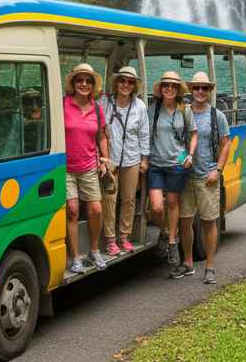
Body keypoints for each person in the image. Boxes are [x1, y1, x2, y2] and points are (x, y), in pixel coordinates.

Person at [175, 71, 229, 283]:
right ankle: (188, 263)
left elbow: (226, 144)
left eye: (204, 88)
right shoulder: (182, 113)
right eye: (196, 87)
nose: (199, 91)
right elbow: (177, 141)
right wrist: (181, 160)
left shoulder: (217, 116)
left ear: (209, 91)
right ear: (190, 89)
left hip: (207, 176)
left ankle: (209, 266)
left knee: (208, 221)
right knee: (185, 221)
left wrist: (218, 169)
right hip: (185, 176)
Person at [62, 63, 111, 274]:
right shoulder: (62, 104)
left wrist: (105, 159)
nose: (84, 84)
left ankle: (93, 250)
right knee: (72, 211)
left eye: (88, 81)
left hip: (89, 165)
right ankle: (75, 258)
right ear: (73, 83)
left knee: (96, 209)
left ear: (92, 86)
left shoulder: (97, 109)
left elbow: (101, 136)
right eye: (80, 80)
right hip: (65, 168)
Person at [99, 66, 151, 255]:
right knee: (109, 199)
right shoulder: (105, 101)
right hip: (110, 159)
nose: (126, 85)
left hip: (132, 158)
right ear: (116, 82)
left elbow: (144, 134)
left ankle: (124, 236)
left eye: (130, 82)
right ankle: (110, 239)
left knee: (128, 199)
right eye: (122, 81)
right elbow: (98, 127)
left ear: (134, 86)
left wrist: (145, 159)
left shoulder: (140, 107)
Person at [147, 70, 196, 267]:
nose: (169, 89)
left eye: (173, 86)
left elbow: (193, 134)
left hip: (177, 164)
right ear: (161, 89)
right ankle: (166, 231)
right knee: (157, 207)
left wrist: (190, 154)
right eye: (166, 85)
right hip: (156, 164)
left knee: (173, 203)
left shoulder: (185, 110)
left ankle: (172, 242)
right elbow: (144, 133)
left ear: (177, 90)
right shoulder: (153, 110)